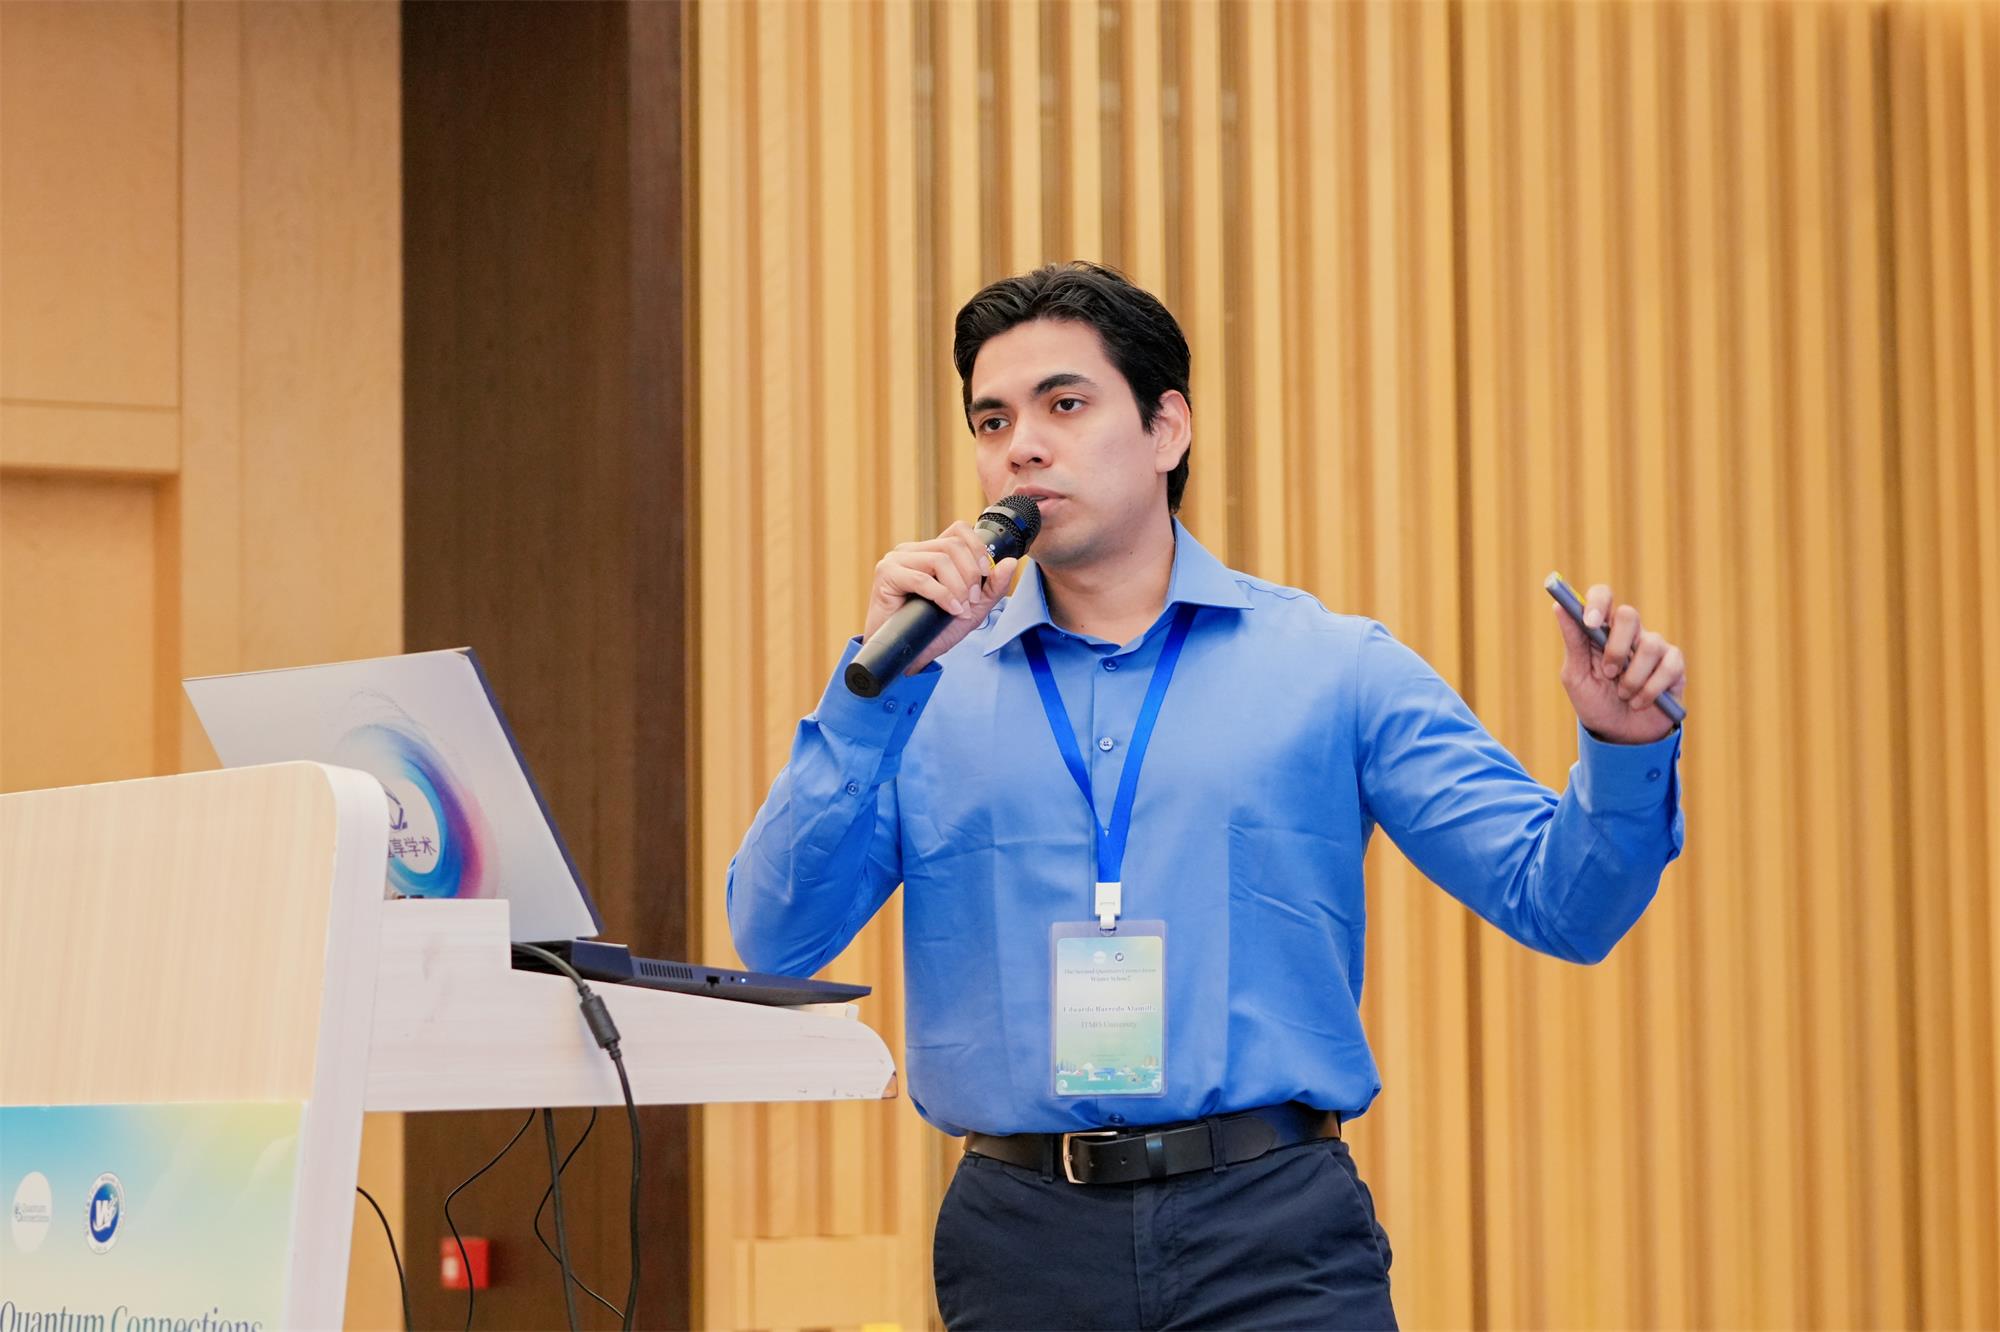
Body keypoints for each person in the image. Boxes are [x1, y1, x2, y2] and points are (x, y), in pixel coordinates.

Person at [727, 262, 1686, 1331]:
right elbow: (776, 936)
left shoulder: (1334, 668)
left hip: (1272, 1235)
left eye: (1064, 404)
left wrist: (1622, 747)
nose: (1021, 446)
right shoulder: (921, 692)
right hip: (1020, 1243)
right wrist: (873, 694)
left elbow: (1564, 907)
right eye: (992, 421)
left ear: (1166, 428)